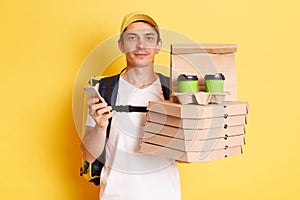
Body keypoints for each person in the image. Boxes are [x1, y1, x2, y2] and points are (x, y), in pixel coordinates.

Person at [81, 12, 181, 200]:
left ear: (158, 46)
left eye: (149, 38)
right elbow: (88, 155)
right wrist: (100, 127)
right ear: (121, 45)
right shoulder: (102, 89)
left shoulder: (174, 91)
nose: (141, 45)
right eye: (132, 38)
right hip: (115, 195)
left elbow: (185, 157)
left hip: (165, 194)